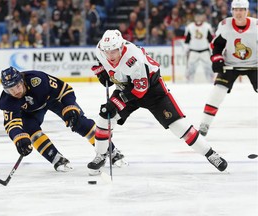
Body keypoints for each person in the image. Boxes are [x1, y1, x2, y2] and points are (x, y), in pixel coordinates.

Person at [87, 29, 228, 175]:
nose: (110, 55)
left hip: (152, 90)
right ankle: (101, 155)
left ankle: (210, 153)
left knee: (178, 126)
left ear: (121, 47)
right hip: (126, 87)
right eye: (107, 51)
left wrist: (116, 102)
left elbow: (140, 89)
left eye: (114, 51)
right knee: (105, 116)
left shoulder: (133, 58)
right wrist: (102, 72)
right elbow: (102, 63)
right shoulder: (100, 49)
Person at [0, 67, 125, 172]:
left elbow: (65, 89)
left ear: (22, 80)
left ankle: (111, 151)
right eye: (10, 89)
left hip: (53, 100)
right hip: (29, 113)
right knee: (31, 132)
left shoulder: (38, 80)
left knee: (78, 122)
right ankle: (56, 159)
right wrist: (20, 139)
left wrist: (70, 108)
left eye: (17, 86)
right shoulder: (7, 100)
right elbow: (11, 124)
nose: (15, 92)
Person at [199, 0, 257, 136]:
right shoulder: (225, 25)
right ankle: (204, 123)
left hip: (254, 65)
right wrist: (217, 60)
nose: (238, 13)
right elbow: (217, 45)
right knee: (217, 92)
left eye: (242, 9)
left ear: (247, 11)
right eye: (236, 9)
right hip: (230, 64)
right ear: (232, 11)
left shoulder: (256, 26)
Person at [183, 9, 214, 83]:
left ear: (203, 17)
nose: (198, 18)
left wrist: (212, 50)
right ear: (194, 17)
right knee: (190, 69)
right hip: (193, 51)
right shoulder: (190, 27)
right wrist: (185, 49)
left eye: (200, 16)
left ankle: (210, 83)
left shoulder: (207, 26)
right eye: (197, 16)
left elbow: (211, 40)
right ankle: (189, 84)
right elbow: (187, 40)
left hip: (205, 51)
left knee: (209, 68)